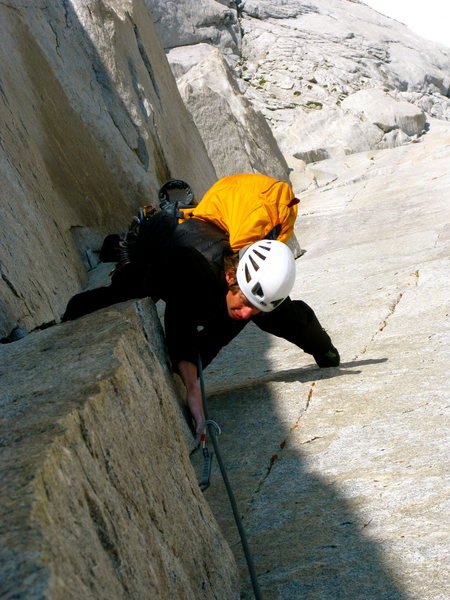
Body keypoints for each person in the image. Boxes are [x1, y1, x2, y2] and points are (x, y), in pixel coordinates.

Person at [63, 185, 339, 440]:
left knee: (271, 317)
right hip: (163, 254)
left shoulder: (253, 288)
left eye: (253, 308)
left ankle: (324, 349)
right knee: (130, 290)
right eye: (244, 303)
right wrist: (193, 388)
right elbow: (178, 319)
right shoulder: (197, 270)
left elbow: (271, 317)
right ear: (232, 275)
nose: (245, 313)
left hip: (206, 260)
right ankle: (70, 314)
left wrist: (323, 348)